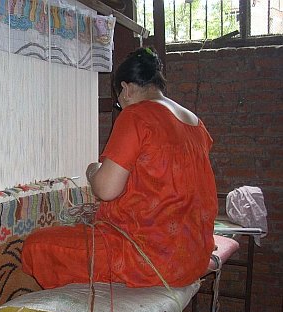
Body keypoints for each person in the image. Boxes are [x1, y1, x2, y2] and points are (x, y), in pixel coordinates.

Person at [21, 47, 218, 290]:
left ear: (126, 89)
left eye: (118, 101)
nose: (120, 106)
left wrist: (93, 170)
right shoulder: (196, 124)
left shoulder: (137, 115)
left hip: (150, 258)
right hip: (193, 255)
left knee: (37, 246)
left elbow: (106, 190)